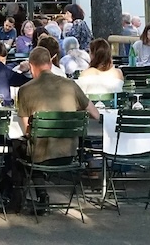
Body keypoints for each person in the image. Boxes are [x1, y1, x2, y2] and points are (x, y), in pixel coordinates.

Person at [10, 46, 100, 213]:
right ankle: (39, 194)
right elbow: (95, 114)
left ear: (31, 66)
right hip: (69, 153)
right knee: (33, 148)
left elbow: (27, 130)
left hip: (40, 154)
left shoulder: (25, 90)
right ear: (50, 64)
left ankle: (22, 197)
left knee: (19, 148)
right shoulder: (71, 85)